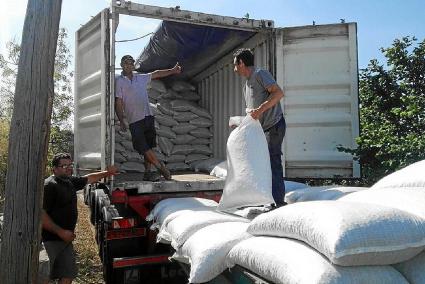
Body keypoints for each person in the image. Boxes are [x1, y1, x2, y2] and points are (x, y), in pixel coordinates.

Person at [42, 153, 117, 284]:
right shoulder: (50, 185)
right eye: (64, 165)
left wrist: (107, 172)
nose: (68, 168)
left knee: (68, 274)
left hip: (65, 240)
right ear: (54, 168)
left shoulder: (69, 181)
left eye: (70, 165)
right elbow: (41, 214)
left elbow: (88, 179)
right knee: (44, 277)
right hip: (50, 240)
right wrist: (60, 232)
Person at [233, 48, 286, 206]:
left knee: (272, 161)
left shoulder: (260, 74)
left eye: (235, 65)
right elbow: (253, 113)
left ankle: (278, 202)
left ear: (241, 63)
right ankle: (267, 199)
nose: (234, 68)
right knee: (261, 163)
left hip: (274, 125)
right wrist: (239, 123)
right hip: (262, 130)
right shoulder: (246, 86)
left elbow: (278, 94)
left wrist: (260, 109)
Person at [115, 55, 182, 181]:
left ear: (133, 65)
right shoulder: (120, 81)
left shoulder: (140, 78)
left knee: (148, 147)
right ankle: (161, 168)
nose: (128, 65)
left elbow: (156, 74)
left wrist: (172, 71)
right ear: (121, 65)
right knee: (143, 147)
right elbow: (118, 102)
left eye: (130, 63)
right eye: (126, 63)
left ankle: (147, 172)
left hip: (148, 117)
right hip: (134, 120)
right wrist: (121, 120)